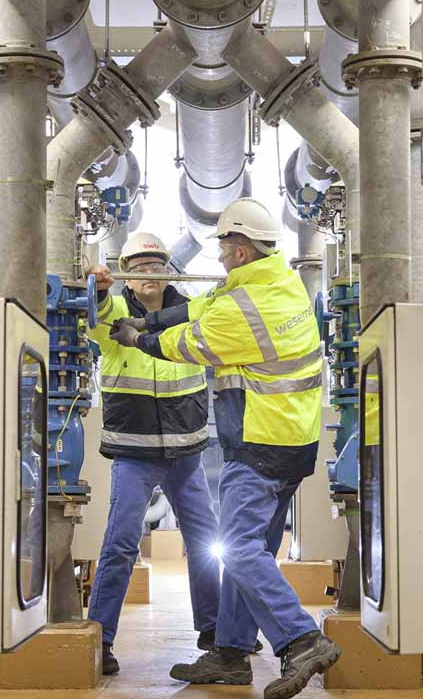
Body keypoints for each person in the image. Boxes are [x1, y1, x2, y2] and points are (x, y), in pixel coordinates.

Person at [109, 200, 341, 699]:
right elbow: (199, 306)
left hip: (257, 444)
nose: (217, 259)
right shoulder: (279, 284)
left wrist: (138, 336)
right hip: (295, 444)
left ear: (238, 250)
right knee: (253, 550)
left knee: (235, 550)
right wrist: (151, 321)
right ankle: (232, 652)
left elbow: (188, 341)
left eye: (221, 250)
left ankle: (300, 640)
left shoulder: (242, 309)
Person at [84, 232, 223, 676]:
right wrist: (101, 288)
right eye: (138, 267)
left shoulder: (187, 314)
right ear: (126, 273)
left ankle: (216, 633)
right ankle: (100, 638)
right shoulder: (116, 311)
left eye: (155, 265)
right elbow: (100, 313)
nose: (148, 273)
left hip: (186, 452)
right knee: (121, 544)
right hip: (134, 453)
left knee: (204, 543)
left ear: (169, 269)